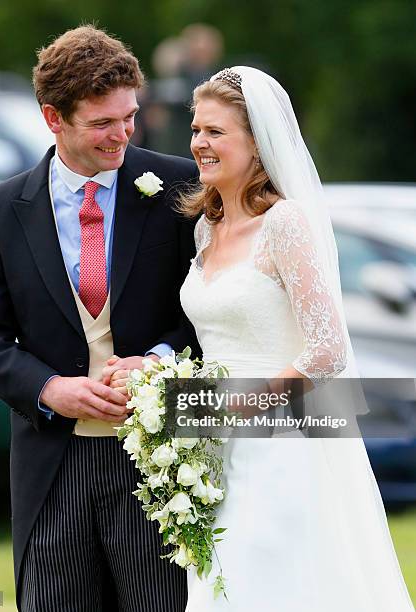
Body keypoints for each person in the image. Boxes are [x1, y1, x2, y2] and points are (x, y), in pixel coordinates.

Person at [0, 25, 199, 612]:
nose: (122, 135)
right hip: (51, 462)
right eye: (101, 124)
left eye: (129, 117)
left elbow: (208, 312)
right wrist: (49, 388)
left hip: (160, 465)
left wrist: (160, 365)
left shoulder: (179, 185)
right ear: (52, 118)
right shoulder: (1, 208)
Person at [176, 67, 415, 610]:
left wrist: (241, 407)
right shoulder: (204, 229)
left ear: (257, 143)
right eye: (196, 130)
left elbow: (327, 349)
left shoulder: (285, 224)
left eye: (215, 132)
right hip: (209, 450)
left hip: (283, 443)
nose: (198, 144)